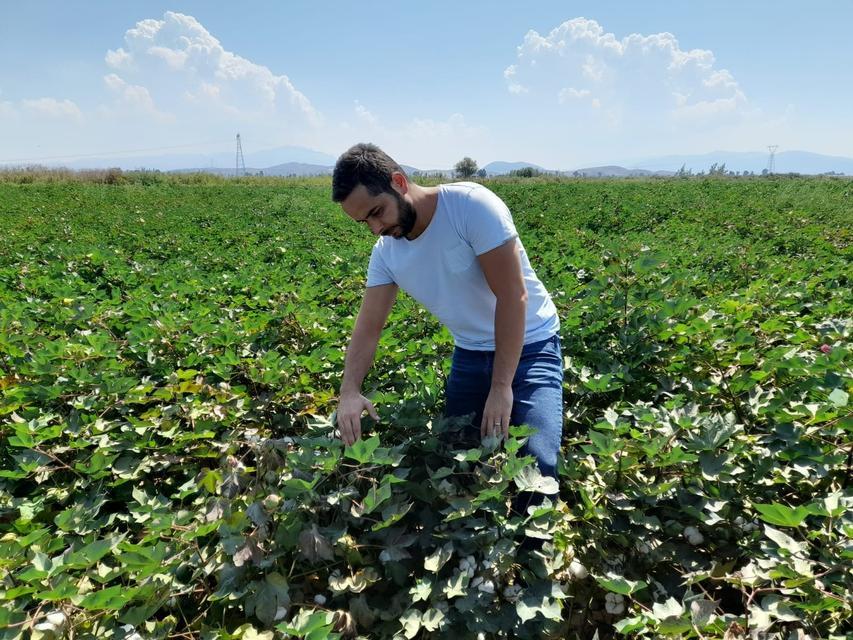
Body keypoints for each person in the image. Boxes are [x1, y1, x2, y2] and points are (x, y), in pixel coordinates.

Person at [331, 142, 563, 480]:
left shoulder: (470, 207)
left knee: (536, 467)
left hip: (531, 346)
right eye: (363, 222)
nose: (375, 229)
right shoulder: (386, 254)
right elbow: (368, 328)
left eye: (377, 212)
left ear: (398, 181)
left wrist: (501, 387)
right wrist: (349, 391)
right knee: (455, 461)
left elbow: (513, 297)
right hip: (470, 354)